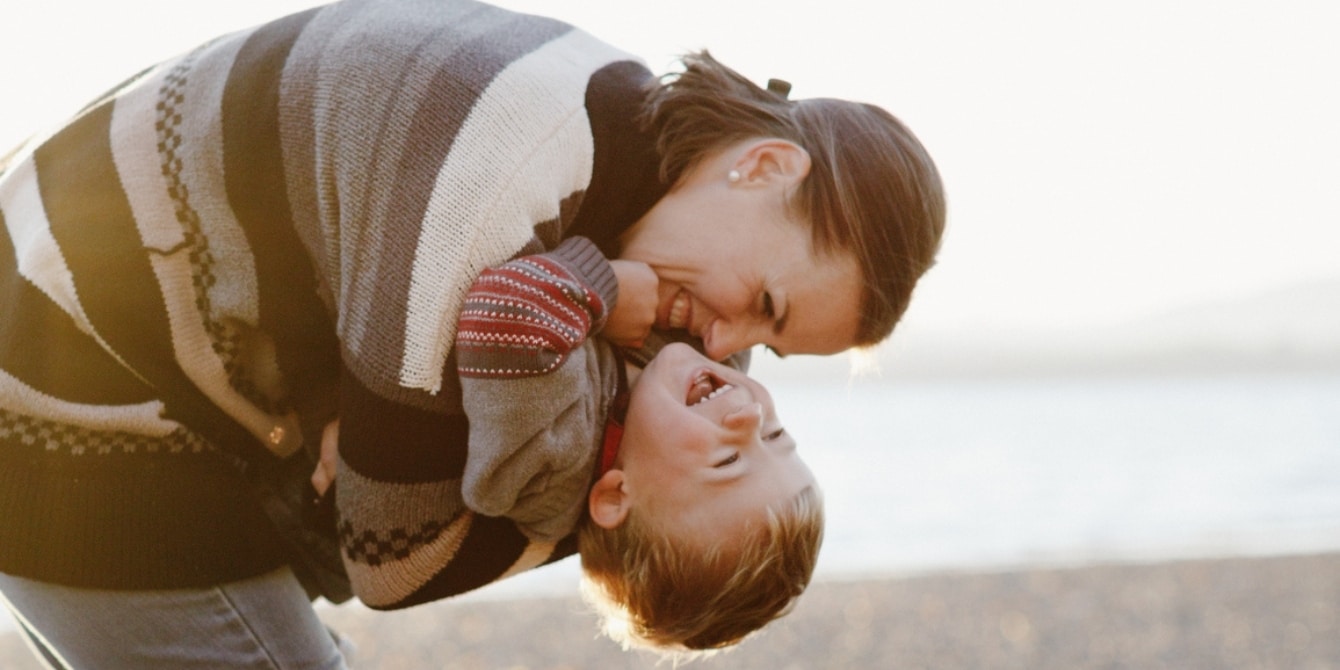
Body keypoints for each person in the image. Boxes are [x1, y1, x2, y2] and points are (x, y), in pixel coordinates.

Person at [0, 0, 944, 666]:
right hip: (62, 400)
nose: (725, 344)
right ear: (767, 165)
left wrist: (390, 413)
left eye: (765, 347)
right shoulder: (502, 162)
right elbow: (393, 556)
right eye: (764, 305)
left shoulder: (615, 130)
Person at [445, 238, 824, 653]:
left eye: (729, 460)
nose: (750, 417)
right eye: (775, 435)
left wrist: (608, 287)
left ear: (615, 495)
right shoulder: (714, 359)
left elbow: (506, 312)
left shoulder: (550, 460)